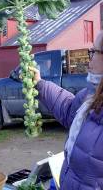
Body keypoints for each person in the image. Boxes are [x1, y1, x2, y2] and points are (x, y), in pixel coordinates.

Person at [32, 30, 103, 189]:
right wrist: (40, 84)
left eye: (94, 52)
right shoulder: (90, 96)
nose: (88, 60)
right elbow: (69, 109)